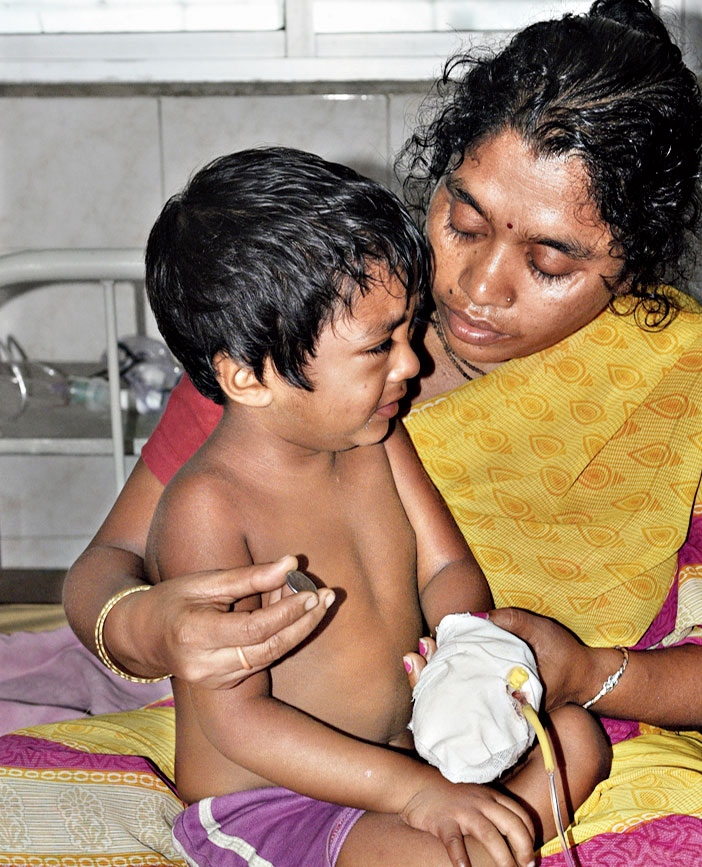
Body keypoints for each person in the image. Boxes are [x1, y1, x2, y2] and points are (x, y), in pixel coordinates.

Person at [0, 2, 702, 866]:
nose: (479, 287)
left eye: (549, 261)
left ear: (633, 262)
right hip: (293, 763)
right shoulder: (299, 345)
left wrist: (570, 670)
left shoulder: (686, 381)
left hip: (512, 727)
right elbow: (106, 569)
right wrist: (150, 626)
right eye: (463, 223)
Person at [142, 145, 609, 867]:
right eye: (376, 348)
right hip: (273, 798)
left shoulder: (378, 437)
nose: (411, 364)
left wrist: (462, 649)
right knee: (444, 854)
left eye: (409, 330)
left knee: (577, 739)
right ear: (249, 376)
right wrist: (413, 793)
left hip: (406, 753)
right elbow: (237, 722)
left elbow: (445, 567)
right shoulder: (207, 508)